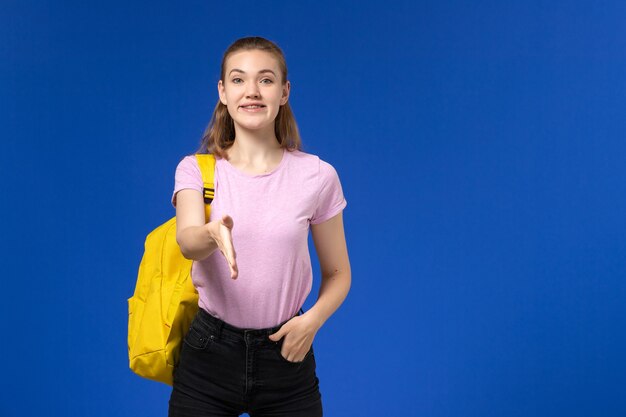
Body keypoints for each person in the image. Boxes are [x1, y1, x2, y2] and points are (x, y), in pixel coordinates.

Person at [167, 36, 351, 417]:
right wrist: (212, 233)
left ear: (284, 92)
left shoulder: (317, 176)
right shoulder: (197, 170)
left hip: (286, 353)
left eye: (265, 80)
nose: (251, 91)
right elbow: (187, 242)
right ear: (222, 91)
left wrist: (310, 323)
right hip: (208, 353)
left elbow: (338, 273)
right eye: (238, 80)